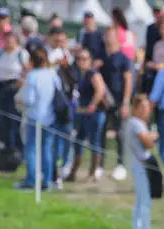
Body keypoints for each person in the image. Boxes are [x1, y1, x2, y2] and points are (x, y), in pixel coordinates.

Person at [15, 47, 57, 191]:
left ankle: (31, 179)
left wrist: (19, 99)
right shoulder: (53, 75)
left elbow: (29, 99)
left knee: (31, 148)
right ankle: (48, 180)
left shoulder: (32, 77)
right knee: (47, 149)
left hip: (34, 117)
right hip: (50, 117)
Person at [125, 94, 164, 229]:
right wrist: (152, 137)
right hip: (140, 164)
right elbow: (147, 143)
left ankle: (137, 228)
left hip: (138, 164)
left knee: (140, 198)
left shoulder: (138, 123)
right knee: (145, 199)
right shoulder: (136, 123)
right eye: (142, 107)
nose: (146, 110)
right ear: (135, 109)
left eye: (147, 107)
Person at [66, 48, 106, 182]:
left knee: (94, 142)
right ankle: (73, 172)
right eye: (78, 59)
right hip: (83, 113)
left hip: (95, 114)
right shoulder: (81, 74)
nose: (81, 62)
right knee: (78, 141)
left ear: (90, 60)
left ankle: (93, 173)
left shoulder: (93, 73)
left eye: (84, 59)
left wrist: (92, 105)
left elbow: (100, 90)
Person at [101, 27, 134, 181]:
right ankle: (99, 164)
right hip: (103, 102)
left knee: (120, 133)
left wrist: (126, 102)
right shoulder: (101, 57)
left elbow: (128, 80)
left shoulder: (123, 58)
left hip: (119, 101)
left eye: (111, 36)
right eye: (106, 35)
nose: (108, 38)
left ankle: (121, 164)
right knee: (100, 133)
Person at [47, 27, 76, 187]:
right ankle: (55, 172)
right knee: (54, 139)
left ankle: (66, 164)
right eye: (56, 40)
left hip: (67, 102)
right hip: (53, 101)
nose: (59, 43)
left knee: (66, 136)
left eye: (62, 40)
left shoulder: (68, 55)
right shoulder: (48, 53)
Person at [0, 31, 29, 151]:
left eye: (11, 39)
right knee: (2, 119)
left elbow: (27, 71)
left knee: (15, 119)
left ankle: (18, 148)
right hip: (1, 86)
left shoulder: (21, 53)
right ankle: (4, 147)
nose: (8, 42)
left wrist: (18, 84)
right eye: (6, 39)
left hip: (15, 86)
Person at [140, 0, 164, 94]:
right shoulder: (150, 28)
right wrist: (145, 64)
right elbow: (148, 49)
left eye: (159, 11)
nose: (157, 14)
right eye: (155, 11)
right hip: (151, 66)